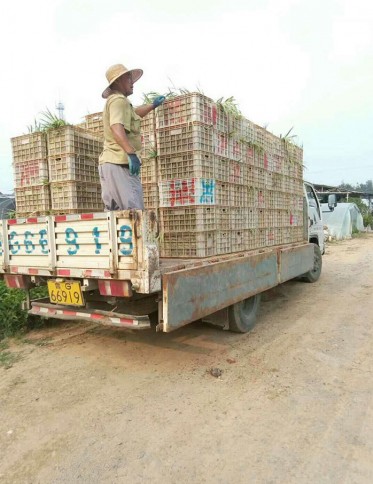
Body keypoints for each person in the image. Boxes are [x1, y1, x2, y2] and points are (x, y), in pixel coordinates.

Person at [98, 63, 165, 210]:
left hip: (109, 165)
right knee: (134, 214)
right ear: (117, 81)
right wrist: (131, 153)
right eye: (128, 78)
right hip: (119, 164)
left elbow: (133, 114)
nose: (132, 82)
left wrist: (152, 106)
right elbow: (116, 127)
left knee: (114, 217)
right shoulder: (118, 101)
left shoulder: (117, 101)